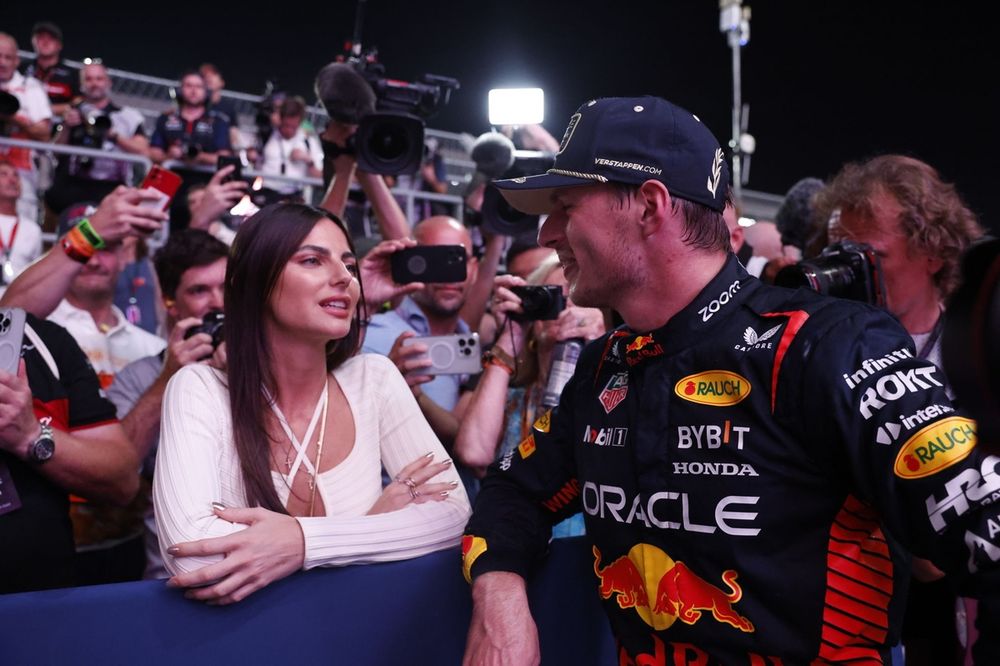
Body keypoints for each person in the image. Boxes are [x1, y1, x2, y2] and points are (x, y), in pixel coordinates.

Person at [460, 96, 997, 664]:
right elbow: (512, 490)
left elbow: (982, 525)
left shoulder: (827, 344)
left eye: (566, 205)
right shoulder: (602, 367)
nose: (548, 233)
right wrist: (500, 596)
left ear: (649, 206)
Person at [154, 202, 470, 604]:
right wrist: (373, 525)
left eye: (349, 265)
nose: (343, 278)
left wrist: (302, 542)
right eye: (312, 260)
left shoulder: (373, 378)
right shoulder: (199, 388)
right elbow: (193, 560)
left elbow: (454, 517)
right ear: (257, 280)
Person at [814, 154, 986, 664]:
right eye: (835, 255)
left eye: (868, 258)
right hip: (837, 606)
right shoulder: (814, 347)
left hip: (941, 610)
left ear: (932, 251)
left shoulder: (979, 347)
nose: (843, 275)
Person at [454, 253, 604, 537]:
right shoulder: (512, 400)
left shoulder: (616, 390)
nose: (569, 309)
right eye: (555, 298)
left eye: (580, 297)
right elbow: (474, 453)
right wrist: (512, 332)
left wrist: (606, 340)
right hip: (521, 547)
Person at [106, 228, 228, 579]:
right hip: (173, 575)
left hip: (263, 568)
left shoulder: (275, 364)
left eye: (226, 287)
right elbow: (117, 474)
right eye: (199, 291)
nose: (218, 302)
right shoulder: (140, 377)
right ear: (170, 303)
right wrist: (168, 379)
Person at [360, 216, 481, 496]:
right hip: (388, 509)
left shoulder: (475, 347)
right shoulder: (370, 332)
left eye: (457, 258)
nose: (449, 274)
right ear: (413, 261)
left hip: (464, 516)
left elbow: (465, 442)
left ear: (473, 269)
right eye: (437, 258)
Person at [47, 61, 149, 216]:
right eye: (89, 79)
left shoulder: (128, 116)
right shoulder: (71, 113)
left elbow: (143, 150)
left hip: (110, 189)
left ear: (108, 82)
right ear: (81, 84)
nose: (94, 84)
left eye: (99, 79)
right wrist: (66, 126)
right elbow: (55, 152)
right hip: (71, 188)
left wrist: (113, 135)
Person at [0, 33, 52, 222]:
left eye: (8, 57)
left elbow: (44, 134)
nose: (3, 63)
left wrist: (13, 118)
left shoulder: (32, 88)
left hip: (21, 178)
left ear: (17, 60)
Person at [258, 96, 323, 194]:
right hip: (267, 192)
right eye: (286, 125)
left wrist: (308, 161)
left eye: (293, 127)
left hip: (295, 195)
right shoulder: (267, 134)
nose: (288, 130)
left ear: (300, 123)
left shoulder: (308, 141)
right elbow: (262, 112)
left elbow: (320, 177)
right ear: (280, 119)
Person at [20, 22, 78, 122]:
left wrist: (45, 110)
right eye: (41, 38)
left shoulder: (72, 74)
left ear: (59, 45)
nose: (45, 42)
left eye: (51, 38)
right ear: (33, 41)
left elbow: (79, 103)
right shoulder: (21, 68)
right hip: (22, 126)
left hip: (59, 130)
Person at [0, 160, 43, 294]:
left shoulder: (33, 230)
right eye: (3, 174)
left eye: (16, 175)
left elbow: (35, 276)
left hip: (17, 302)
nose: (12, 180)